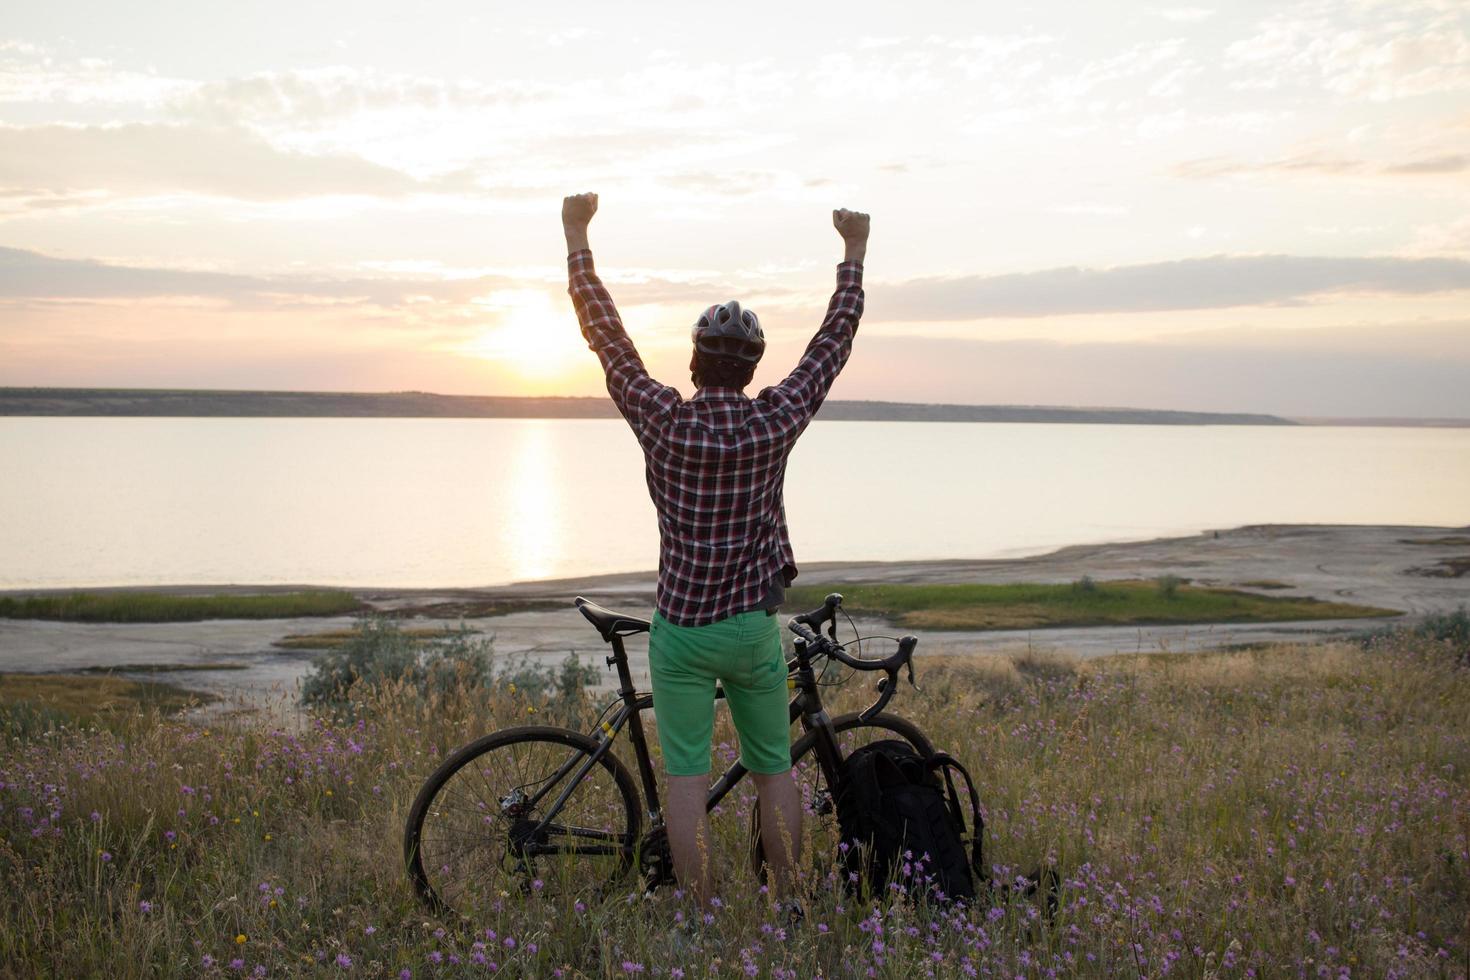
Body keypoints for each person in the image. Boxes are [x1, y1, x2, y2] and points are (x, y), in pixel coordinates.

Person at [562, 192, 869, 912]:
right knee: (773, 775)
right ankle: (788, 904)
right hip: (751, 631)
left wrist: (577, 235)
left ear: (696, 361)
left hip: (682, 632)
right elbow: (832, 348)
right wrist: (852, 254)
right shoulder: (774, 421)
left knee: (687, 782)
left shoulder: (663, 420)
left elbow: (606, 336)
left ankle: (700, 918)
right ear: (752, 367)